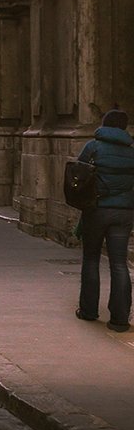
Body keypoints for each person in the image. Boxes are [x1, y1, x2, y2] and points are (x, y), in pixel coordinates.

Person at [76, 110, 134, 332]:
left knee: (91, 259)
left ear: (105, 125)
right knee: (119, 263)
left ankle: (89, 311)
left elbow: (79, 176)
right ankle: (120, 319)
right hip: (124, 213)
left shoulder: (93, 147)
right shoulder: (131, 152)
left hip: (97, 210)